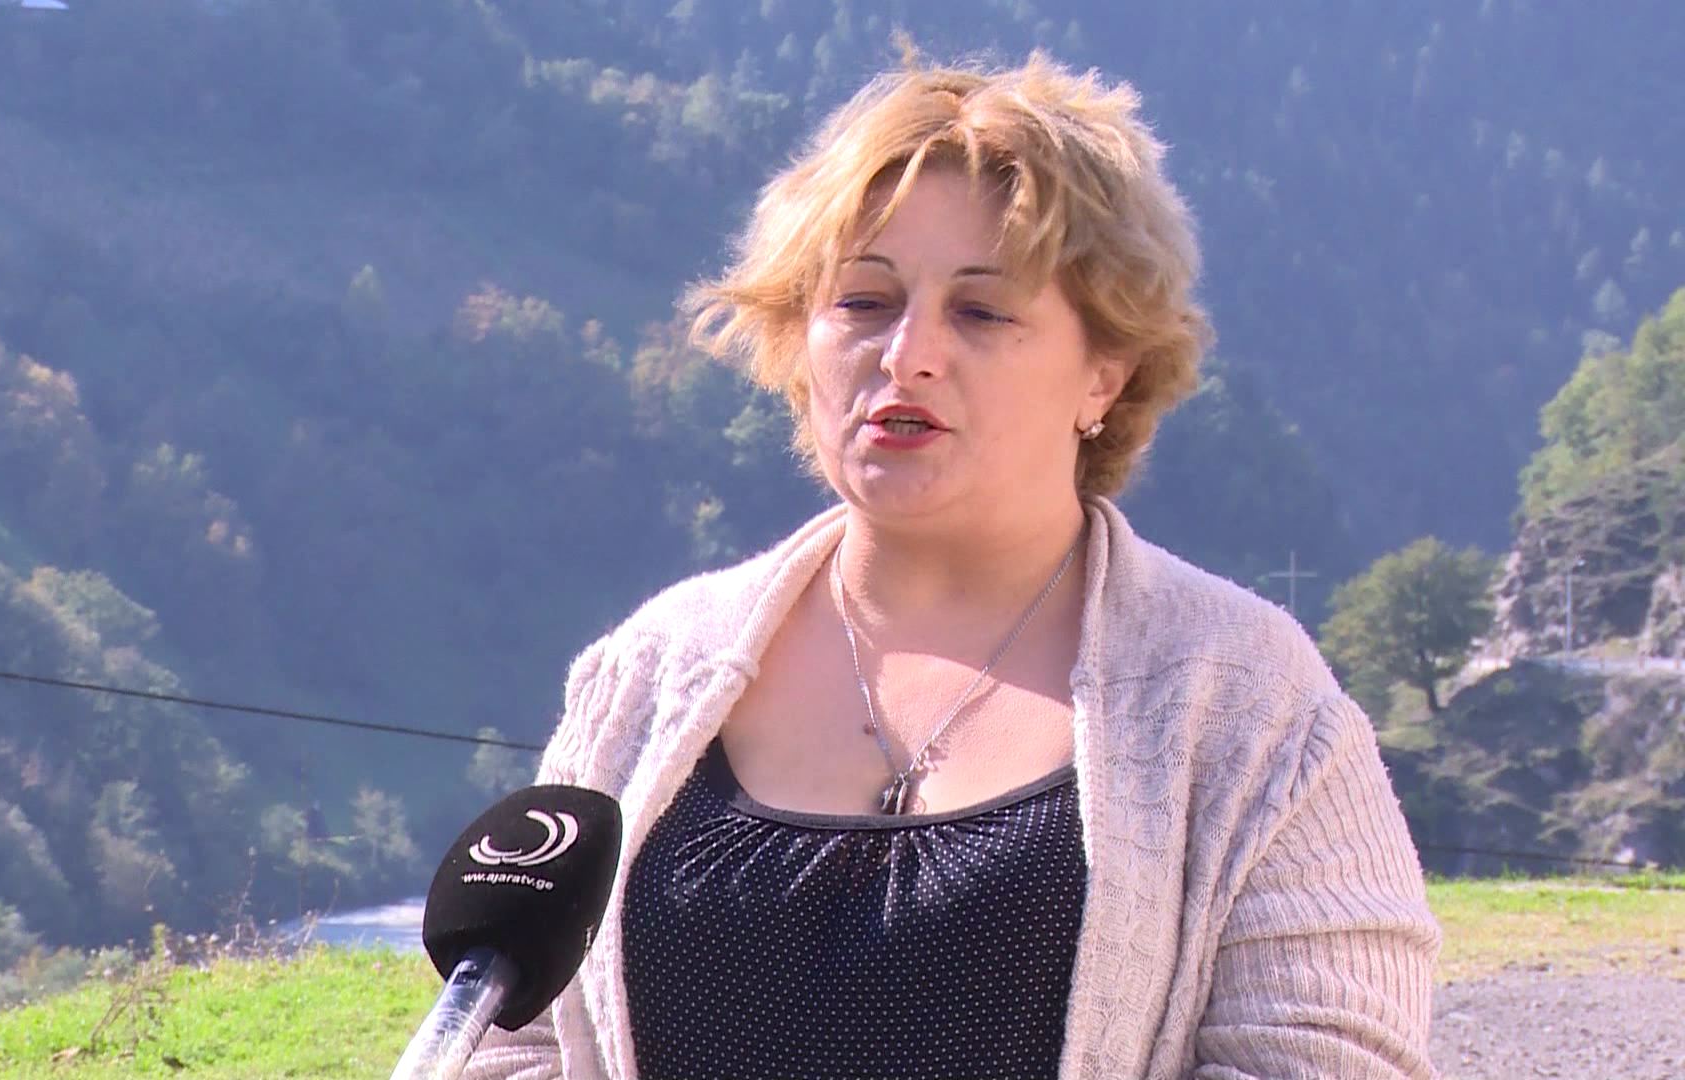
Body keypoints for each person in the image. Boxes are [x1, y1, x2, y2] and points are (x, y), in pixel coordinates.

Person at [467, 45, 1440, 1080]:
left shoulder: (1248, 703)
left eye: (981, 311)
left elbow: (1327, 1060)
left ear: (1105, 374)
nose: (909, 354)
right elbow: (509, 1038)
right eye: (864, 301)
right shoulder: (654, 669)